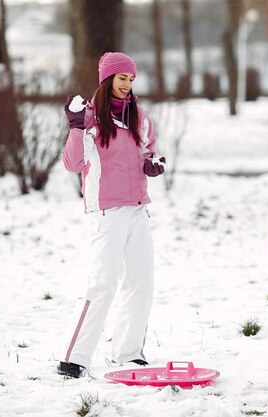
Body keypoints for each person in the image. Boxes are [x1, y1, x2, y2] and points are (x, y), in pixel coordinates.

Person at [58, 52, 165, 378]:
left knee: (140, 282)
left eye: (131, 79)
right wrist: (76, 129)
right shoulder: (90, 119)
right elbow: (73, 164)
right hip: (106, 213)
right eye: (122, 78)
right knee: (102, 284)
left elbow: (148, 149)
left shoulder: (139, 116)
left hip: (136, 209)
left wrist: (151, 163)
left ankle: (129, 353)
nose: (128, 85)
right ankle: (75, 358)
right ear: (107, 80)